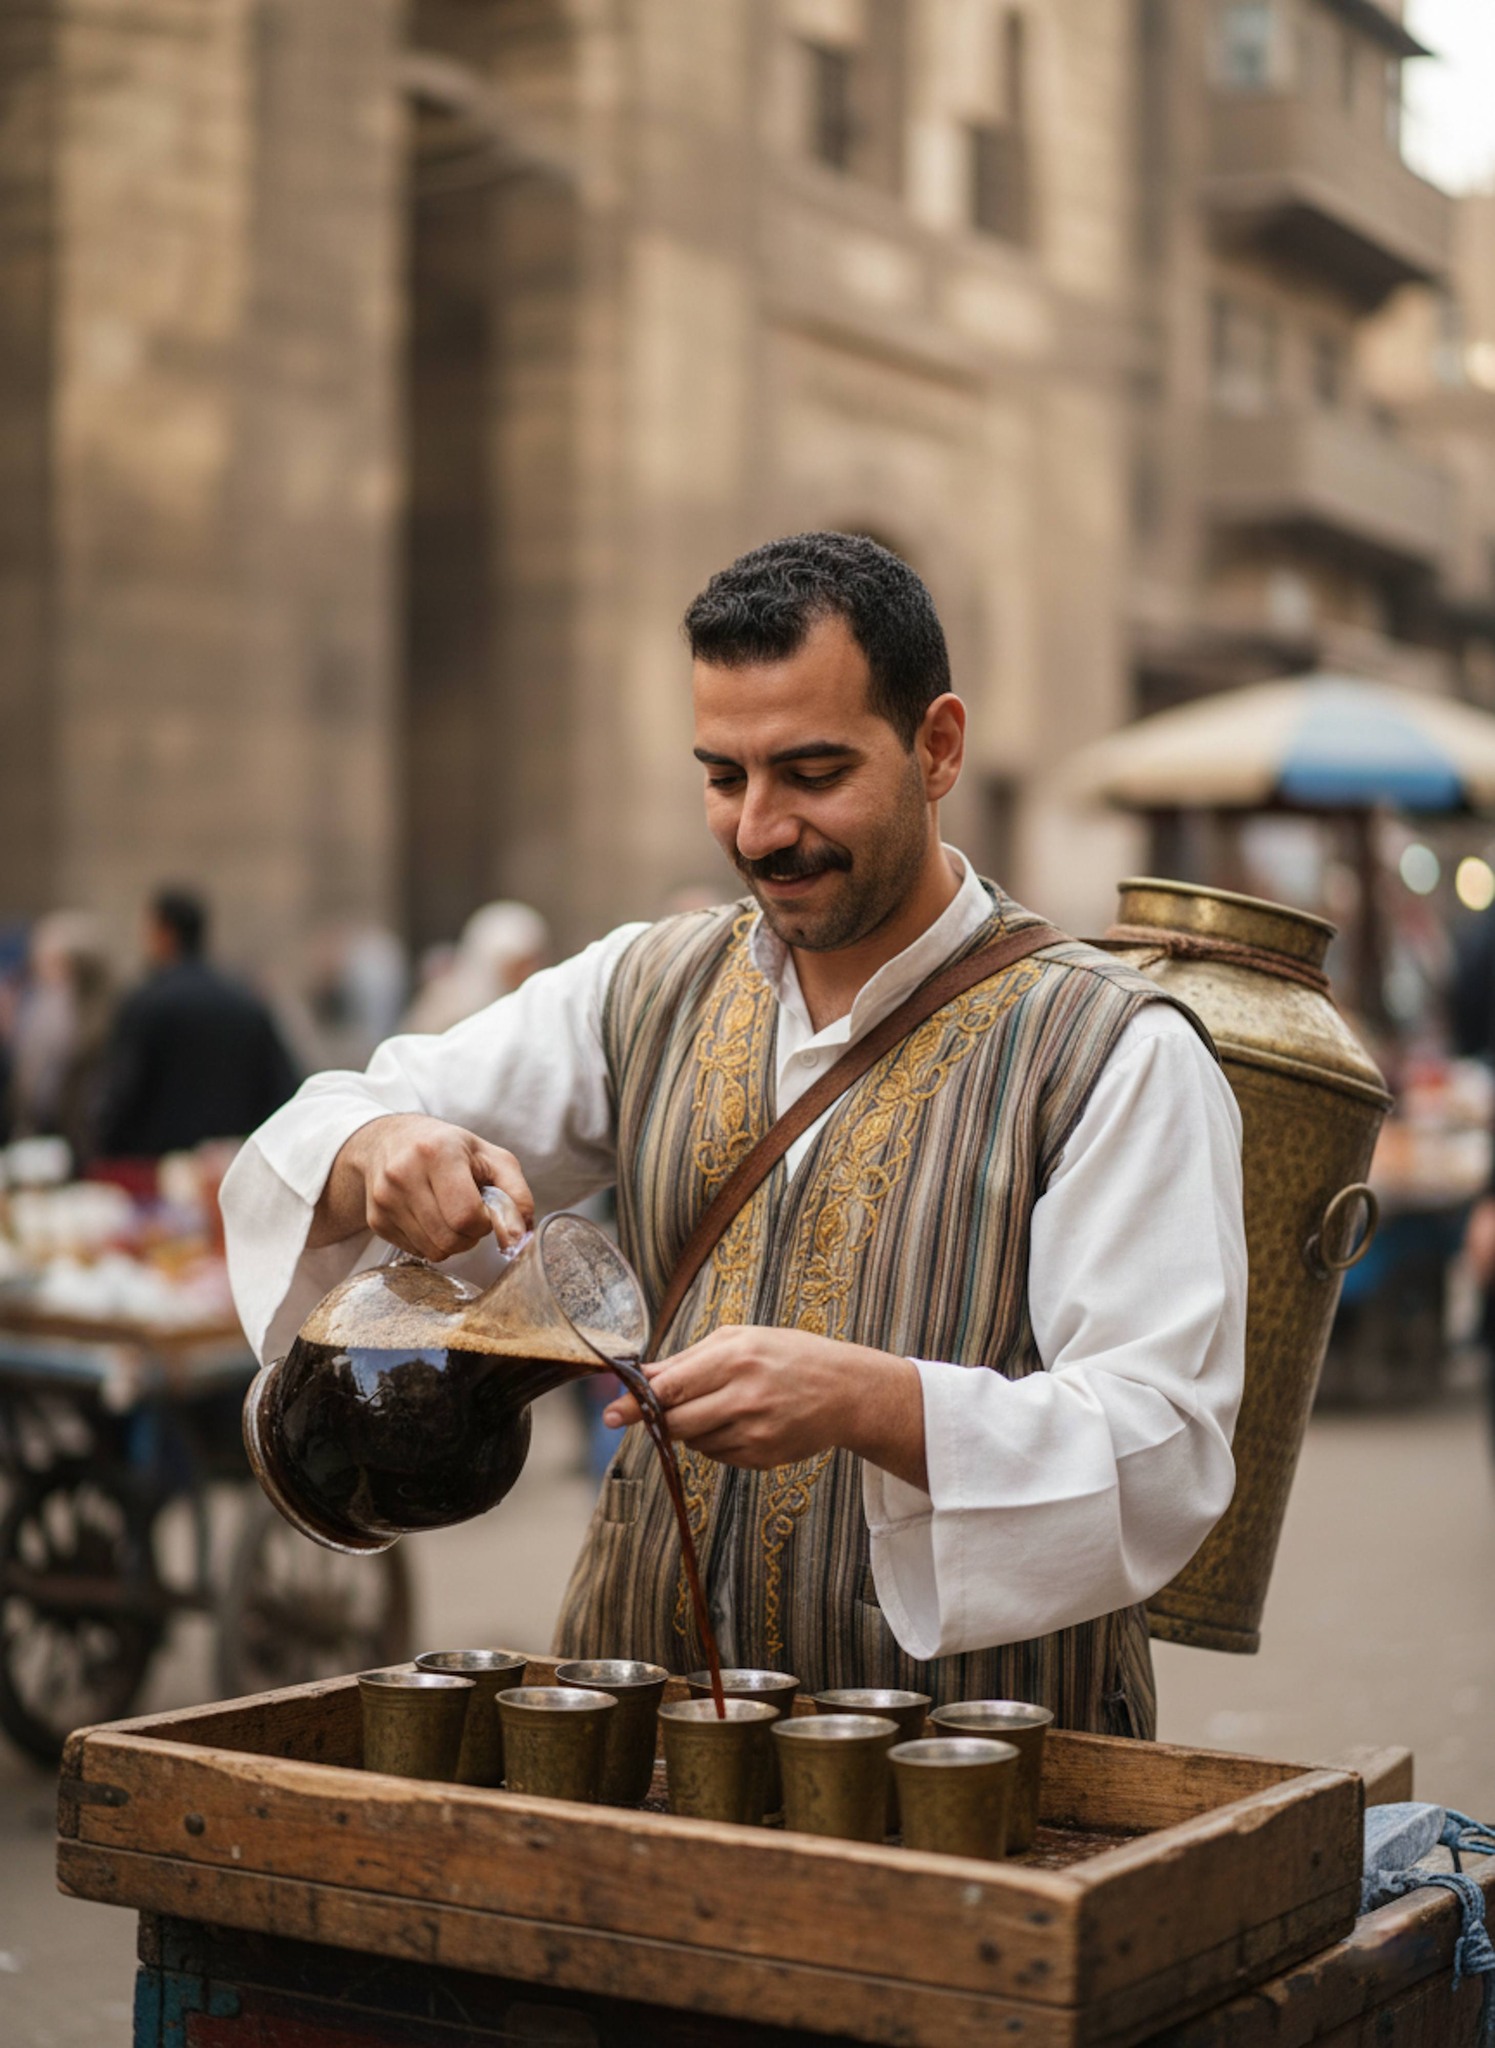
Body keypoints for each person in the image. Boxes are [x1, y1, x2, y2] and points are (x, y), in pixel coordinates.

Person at [221, 533, 1245, 1735]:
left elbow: (1164, 1446)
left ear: (938, 745)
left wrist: (875, 1400)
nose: (759, 830)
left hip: (969, 1770)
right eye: (723, 775)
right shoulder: (642, 985)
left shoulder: (1111, 1049)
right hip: (638, 1730)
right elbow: (337, 1110)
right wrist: (381, 1145)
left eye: (812, 772)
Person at [95, 888, 299, 1159]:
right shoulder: (245, 1000)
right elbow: (283, 1088)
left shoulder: (147, 1002)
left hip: (155, 1167)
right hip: (231, 1165)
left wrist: (102, 1149)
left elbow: (122, 1093)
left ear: (164, 932)